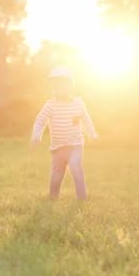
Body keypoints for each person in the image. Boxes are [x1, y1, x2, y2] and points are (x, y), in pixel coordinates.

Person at [30, 67, 98, 200]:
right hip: (57, 148)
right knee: (57, 175)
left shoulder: (78, 103)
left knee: (75, 167)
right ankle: (53, 197)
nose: (58, 90)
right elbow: (40, 121)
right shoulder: (50, 105)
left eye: (62, 86)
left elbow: (86, 118)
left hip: (75, 145)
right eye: (55, 87)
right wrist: (36, 135)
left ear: (70, 86)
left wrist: (92, 134)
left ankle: (82, 199)